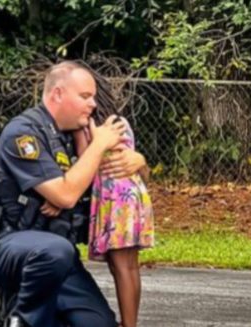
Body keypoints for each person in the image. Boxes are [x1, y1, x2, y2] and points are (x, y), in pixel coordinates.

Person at [0, 61, 148, 327]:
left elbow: (120, 187)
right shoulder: (23, 135)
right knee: (53, 251)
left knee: (99, 323)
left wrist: (140, 162)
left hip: (60, 258)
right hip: (8, 246)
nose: (93, 104)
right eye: (85, 97)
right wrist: (98, 146)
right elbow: (65, 195)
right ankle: (20, 320)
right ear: (57, 94)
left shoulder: (76, 136)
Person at [73, 74, 153, 327]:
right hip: (131, 193)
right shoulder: (119, 121)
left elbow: (86, 158)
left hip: (115, 197)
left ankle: (129, 324)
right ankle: (129, 322)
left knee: (122, 266)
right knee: (127, 265)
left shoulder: (89, 125)